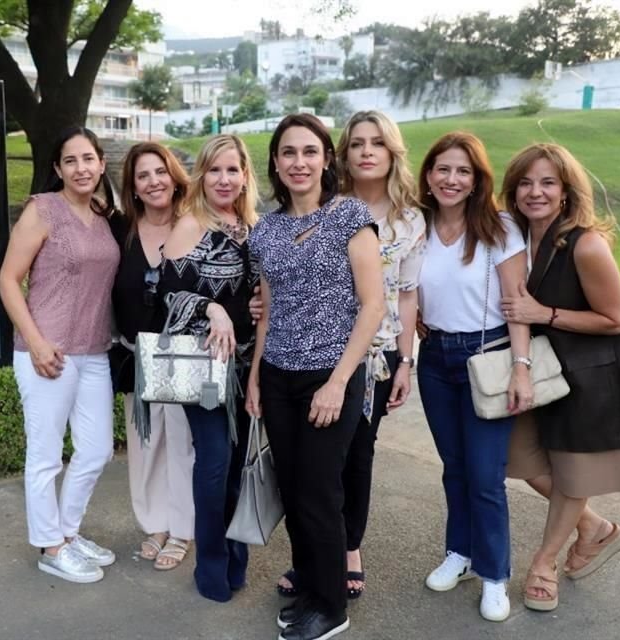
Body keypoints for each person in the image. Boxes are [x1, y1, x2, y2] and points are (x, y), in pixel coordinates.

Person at [274, 110, 427, 601]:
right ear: (341, 153)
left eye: (377, 143)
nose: (366, 151)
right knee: (314, 467)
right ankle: (318, 558)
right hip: (318, 354)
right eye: (357, 142)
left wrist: (406, 361)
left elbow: (405, 294)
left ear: (391, 152)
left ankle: (349, 550)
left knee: (357, 454)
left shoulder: (408, 220)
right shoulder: (324, 205)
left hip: (376, 355)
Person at [247, 113, 385, 640]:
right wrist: (257, 376)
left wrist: (337, 382)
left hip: (332, 373)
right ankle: (309, 585)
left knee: (321, 489)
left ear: (327, 158)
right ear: (276, 164)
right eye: (288, 153)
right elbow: (271, 308)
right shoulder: (267, 228)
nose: (298, 162)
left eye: (309, 151)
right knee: (293, 484)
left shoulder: (351, 216)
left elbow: (372, 307)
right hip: (279, 375)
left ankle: (330, 609)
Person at [499, 143, 620, 612]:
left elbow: (614, 319)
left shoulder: (586, 244)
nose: (535, 192)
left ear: (565, 191)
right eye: (525, 182)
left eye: (547, 182)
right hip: (540, 371)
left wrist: (545, 312)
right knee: (519, 460)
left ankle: (544, 563)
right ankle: (595, 528)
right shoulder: (517, 238)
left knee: (573, 471)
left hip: (589, 375)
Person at [416, 132, 533, 623]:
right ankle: (459, 553)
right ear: (428, 174)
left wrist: (522, 367)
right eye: (443, 169)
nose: (452, 179)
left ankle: (494, 574)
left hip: (488, 355)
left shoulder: (498, 227)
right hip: (435, 358)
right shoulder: (415, 225)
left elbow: (517, 304)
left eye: (463, 171)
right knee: (454, 467)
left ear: (477, 179)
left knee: (486, 477)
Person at [0, 126, 119, 584]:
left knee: (96, 450)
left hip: (94, 350)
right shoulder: (42, 210)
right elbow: (9, 280)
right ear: (58, 169)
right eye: (71, 161)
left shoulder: (105, 219)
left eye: (88, 159)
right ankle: (50, 547)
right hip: (45, 351)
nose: (81, 168)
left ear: (101, 163)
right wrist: (35, 342)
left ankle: (67, 533)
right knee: (46, 456)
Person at [159, 134, 258, 603]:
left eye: (232, 170)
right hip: (202, 365)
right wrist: (210, 308)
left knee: (240, 466)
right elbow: (167, 293)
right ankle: (211, 566)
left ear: (244, 175)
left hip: (250, 366)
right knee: (215, 462)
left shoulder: (254, 225)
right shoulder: (191, 223)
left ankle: (238, 561)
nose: (224, 179)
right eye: (215, 170)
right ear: (202, 175)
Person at [110, 142, 195, 570]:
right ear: (134, 188)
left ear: (174, 176)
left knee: (181, 446)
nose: (154, 181)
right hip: (135, 354)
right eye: (143, 176)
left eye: (160, 172)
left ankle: (182, 530)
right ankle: (155, 524)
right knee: (145, 446)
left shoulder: (193, 226)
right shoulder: (120, 229)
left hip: (180, 354)